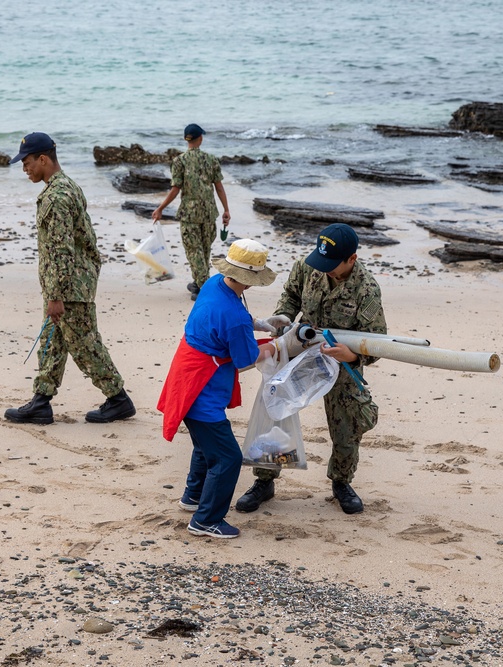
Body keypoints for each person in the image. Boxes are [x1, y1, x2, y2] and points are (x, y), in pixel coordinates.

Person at [235, 223, 386, 515]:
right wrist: (285, 315)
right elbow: (291, 295)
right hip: (300, 347)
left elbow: (377, 343)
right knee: (274, 410)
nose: (324, 269)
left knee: (347, 426)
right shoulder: (308, 266)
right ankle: (265, 479)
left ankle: (341, 482)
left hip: (340, 361)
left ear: (351, 259)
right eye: (322, 262)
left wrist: (352, 357)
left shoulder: (366, 290)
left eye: (332, 265)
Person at [157, 239, 298, 538]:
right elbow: (246, 359)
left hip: (187, 376)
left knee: (205, 445)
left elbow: (230, 320)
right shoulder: (233, 316)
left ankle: (193, 497)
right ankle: (205, 520)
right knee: (228, 458)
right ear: (250, 279)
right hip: (201, 388)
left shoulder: (214, 283)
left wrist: (259, 324)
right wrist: (277, 345)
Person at [3, 132, 135, 425]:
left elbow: (61, 249)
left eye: (26, 163)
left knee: (85, 344)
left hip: (70, 286)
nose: (24, 169)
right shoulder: (65, 187)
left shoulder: (58, 196)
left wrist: (55, 295)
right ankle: (41, 401)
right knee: (53, 342)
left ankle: (118, 399)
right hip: (70, 283)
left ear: (43, 159)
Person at [150, 123, 231, 301]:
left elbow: (175, 189)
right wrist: (226, 209)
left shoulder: (179, 161)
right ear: (200, 138)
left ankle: (203, 288)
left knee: (194, 252)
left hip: (189, 214)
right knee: (203, 250)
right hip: (209, 212)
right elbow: (219, 187)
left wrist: (160, 208)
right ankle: (199, 283)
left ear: (187, 139)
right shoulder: (211, 159)